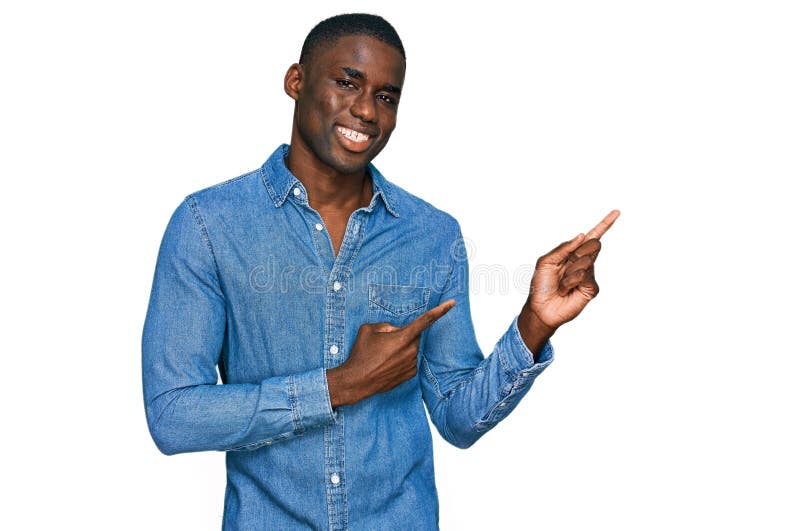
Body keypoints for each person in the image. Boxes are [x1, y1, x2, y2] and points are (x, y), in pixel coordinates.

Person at [142, 13, 619, 530]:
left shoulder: (432, 235)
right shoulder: (209, 225)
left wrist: (535, 324)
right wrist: (340, 385)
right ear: (295, 81)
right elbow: (174, 416)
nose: (367, 110)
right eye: (347, 82)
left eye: (387, 96)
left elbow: (458, 418)